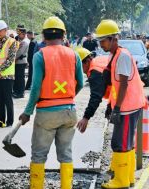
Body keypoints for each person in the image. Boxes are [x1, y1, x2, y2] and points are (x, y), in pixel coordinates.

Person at [19, 16, 84, 188]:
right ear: (63, 35)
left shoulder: (40, 56)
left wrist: (27, 112)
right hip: (69, 111)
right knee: (66, 154)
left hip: (46, 112)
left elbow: (35, 88)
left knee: (39, 155)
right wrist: (68, 97)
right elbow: (81, 83)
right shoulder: (74, 55)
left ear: (44, 36)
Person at [95, 20, 146, 189]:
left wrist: (117, 109)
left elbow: (124, 84)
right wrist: (111, 105)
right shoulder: (115, 55)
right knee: (125, 142)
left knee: (120, 143)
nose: (101, 44)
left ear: (112, 39)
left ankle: (122, 181)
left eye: (103, 41)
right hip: (126, 106)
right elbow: (115, 86)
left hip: (127, 108)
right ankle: (128, 178)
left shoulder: (122, 56)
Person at [0, 20, 18, 128]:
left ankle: (10, 122)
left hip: (7, 75)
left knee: (8, 99)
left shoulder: (12, 42)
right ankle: (0, 121)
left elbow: (10, 59)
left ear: (5, 30)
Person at [75, 47, 109, 133]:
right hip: (122, 98)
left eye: (78, 66)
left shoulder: (95, 72)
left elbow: (96, 97)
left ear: (86, 62)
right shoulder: (98, 61)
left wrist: (86, 117)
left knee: (120, 141)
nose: (78, 70)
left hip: (126, 100)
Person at [13, 27, 29, 98]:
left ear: (24, 34)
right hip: (18, 61)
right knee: (17, 77)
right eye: (18, 34)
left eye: (20, 34)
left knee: (20, 78)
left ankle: (21, 92)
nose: (19, 35)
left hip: (21, 61)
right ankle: (17, 91)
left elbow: (19, 52)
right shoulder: (19, 41)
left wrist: (12, 58)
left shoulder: (24, 42)